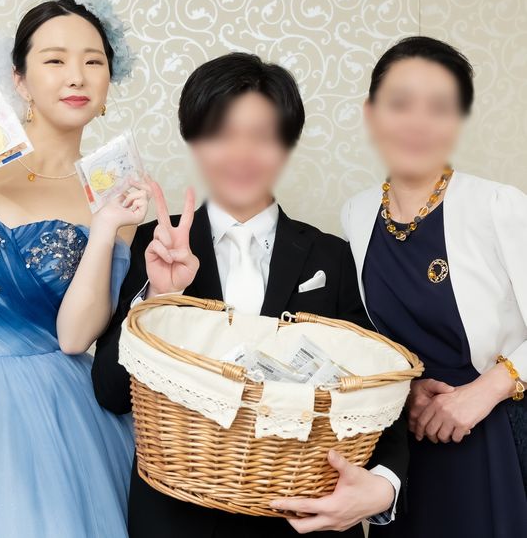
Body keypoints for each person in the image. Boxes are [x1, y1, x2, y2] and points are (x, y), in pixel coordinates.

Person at [93, 52, 408, 538]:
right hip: (176, 518)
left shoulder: (333, 257)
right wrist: (159, 296)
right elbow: (111, 392)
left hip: (303, 517)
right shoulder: (153, 243)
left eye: (261, 136)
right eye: (221, 134)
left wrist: (385, 486)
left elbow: (379, 381)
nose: (241, 154)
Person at [0, 0, 150, 538]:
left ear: (109, 81)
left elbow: (75, 338)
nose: (76, 77)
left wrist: (104, 227)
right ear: (20, 79)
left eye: (93, 61)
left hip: (54, 406)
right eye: (55, 60)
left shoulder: (115, 193)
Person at [341, 36, 527, 537]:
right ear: (371, 114)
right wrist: (406, 391)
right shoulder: (356, 214)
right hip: (403, 445)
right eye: (400, 103)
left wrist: (482, 393)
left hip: (491, 437)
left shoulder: (498, 206)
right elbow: (366, 339)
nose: (418, 123)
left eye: (439, 107)